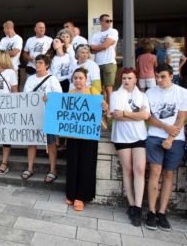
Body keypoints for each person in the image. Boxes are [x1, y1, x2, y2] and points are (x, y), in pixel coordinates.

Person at [145, 64, 187, 231]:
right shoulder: (150, 92)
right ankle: (151, 211)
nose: (159, 80)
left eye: (162, 76)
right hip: (155, 136)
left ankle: (162, 212)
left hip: (176, 139)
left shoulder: (182, 92)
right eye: (157, 76)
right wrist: (165, 128)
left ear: (171, 76)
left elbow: (181, 119)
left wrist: (170, 137)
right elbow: (149, 117)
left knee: (168, 174)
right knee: (155, 171)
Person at [109, 68, 150, 226]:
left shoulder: (142, 96)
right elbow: (117, 117)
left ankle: (138, 207)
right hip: (122, 138)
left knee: (139, 169)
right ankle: (132, 205)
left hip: (139, 137)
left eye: (130, 78)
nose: (126, 81)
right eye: (124, 78)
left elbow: (146, 116)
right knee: (128, 170)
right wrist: (136, 115)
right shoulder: (115, 95)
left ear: (135, 80)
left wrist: (126, 113)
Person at [65, 67, 108, 211]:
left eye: (80, 78)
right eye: (75, 78)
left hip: (89, 135)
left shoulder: (93, 92)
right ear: (72, 80)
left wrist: (105, 107)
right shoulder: (69, 94)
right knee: (73, 164)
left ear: (86, 79)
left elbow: (103, 110)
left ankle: (81, 197)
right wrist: (49, 101)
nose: (78, 80)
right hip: (73, 135)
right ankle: (71, 194)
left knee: (86, 165)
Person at [21, 54, 62, 181]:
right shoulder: (30, 79)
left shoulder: (52, 79)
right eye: (36, 62)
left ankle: (53, 169)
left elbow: (59, 97)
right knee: (31, 142)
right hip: (33, 115)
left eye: (40, 63)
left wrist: (48, 98)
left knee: (50, 143)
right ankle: (30, 168)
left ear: (47, 65)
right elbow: (25, 96)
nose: (37, 65)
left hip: (48, 115)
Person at [90, 14, 119, 105]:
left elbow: (105, 45)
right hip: (97, 64)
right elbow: (91, 50)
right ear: (101, 22)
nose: (109, 22)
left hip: (109, 62)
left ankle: (110, 110)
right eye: (107, 21)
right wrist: (101, 47)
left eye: (110, 21)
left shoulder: (113, 31)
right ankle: (101, 109)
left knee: (108, 88)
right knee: (99, 88)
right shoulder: (95, 35)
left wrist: (97, 47)